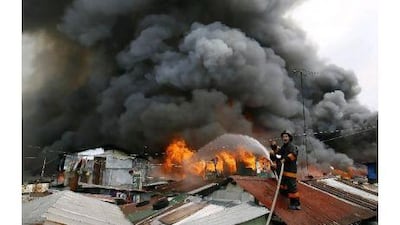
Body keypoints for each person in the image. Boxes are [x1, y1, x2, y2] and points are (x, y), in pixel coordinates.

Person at [278, 130, 301, 210]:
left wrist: (285, 159)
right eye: (283, 136)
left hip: (291, 171)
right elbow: (279, 154)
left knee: (292, 188)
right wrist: (273, 147)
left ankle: (296, 204)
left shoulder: (292, 146)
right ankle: (285, 195)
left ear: (290, 138)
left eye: (286, 136)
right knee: (283, 185)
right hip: (284, 171)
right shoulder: (284, 147)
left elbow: (293, 154)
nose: (284, 138)